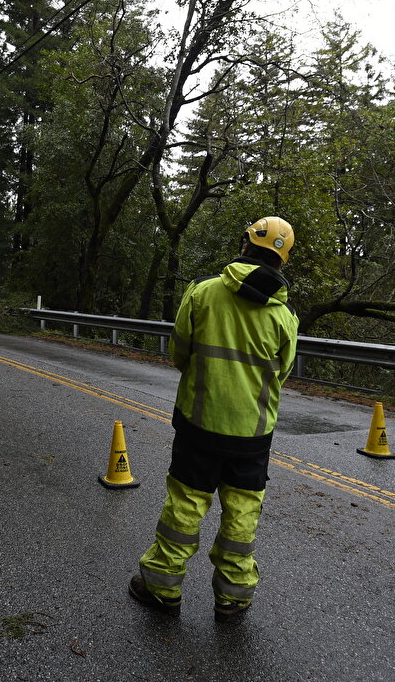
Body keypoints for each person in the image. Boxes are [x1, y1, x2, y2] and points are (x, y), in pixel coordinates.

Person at [130, 216, 299, 622]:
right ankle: (234, 598)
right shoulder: (285, 316)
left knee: (185, 507)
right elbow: (283, 372)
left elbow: (179, 354)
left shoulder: (202, 293)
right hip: (252, 436)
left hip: (199, 425)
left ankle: (162, 589)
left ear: (244, 245)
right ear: (283, 260)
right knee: (241, 514)